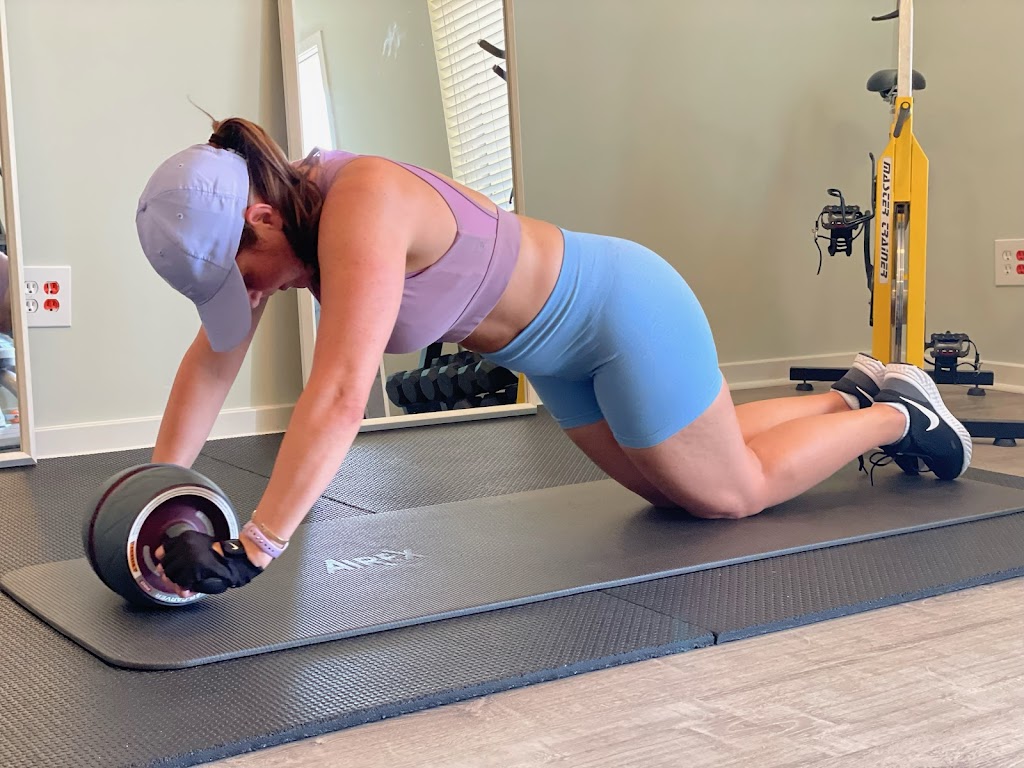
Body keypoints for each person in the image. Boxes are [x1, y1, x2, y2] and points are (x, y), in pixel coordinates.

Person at [136, 116, 972, 597]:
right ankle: (848, 394)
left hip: (622, 310)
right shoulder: (280, 227)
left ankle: (897, 414)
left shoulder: (362, 202)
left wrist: (255, 547)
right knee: (673, 492)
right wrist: (155, 496)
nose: (251, 296)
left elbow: (342, 391)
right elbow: (212, 362)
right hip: (560, 361)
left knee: (730, 494)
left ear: (259, 219)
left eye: (245, 277)